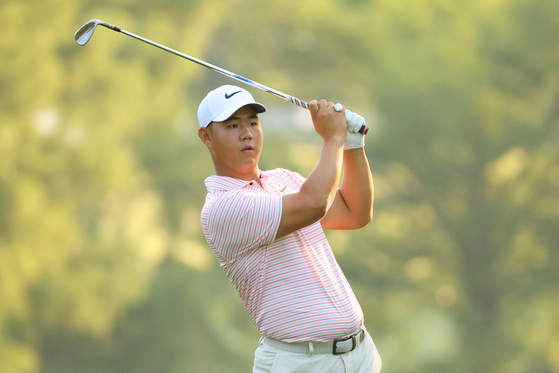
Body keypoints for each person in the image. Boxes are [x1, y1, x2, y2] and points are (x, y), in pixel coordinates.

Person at [197, 84, 381, 373]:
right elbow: (315, 202)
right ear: (206, 137)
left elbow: (355, 214)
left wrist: (352, 144)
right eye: (232, 125)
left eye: (253, 123)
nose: (247, 133)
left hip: (360, 355)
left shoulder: (285, 178)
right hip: (300, 363)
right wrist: (333, 139)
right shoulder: (222, 208)